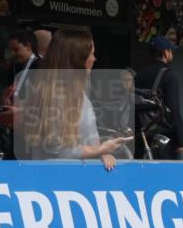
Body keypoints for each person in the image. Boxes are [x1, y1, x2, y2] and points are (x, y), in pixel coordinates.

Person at [19, 29, 125, 170]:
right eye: (91, 54)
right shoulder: (55, 96)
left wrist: (102, 153)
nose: (94, 59)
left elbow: (86, 140)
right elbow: (57, 151)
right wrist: (100, 149)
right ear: (77, 59)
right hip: (58, 179)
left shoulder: (76, 93)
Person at [135, 36, 183, 159]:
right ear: (165, 53)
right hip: (164, 139)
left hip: (143, 138)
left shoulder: (139, 75)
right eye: (170, 50)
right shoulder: (169, 76)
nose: (172, 53)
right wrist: (181, 141)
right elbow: (174, 109)